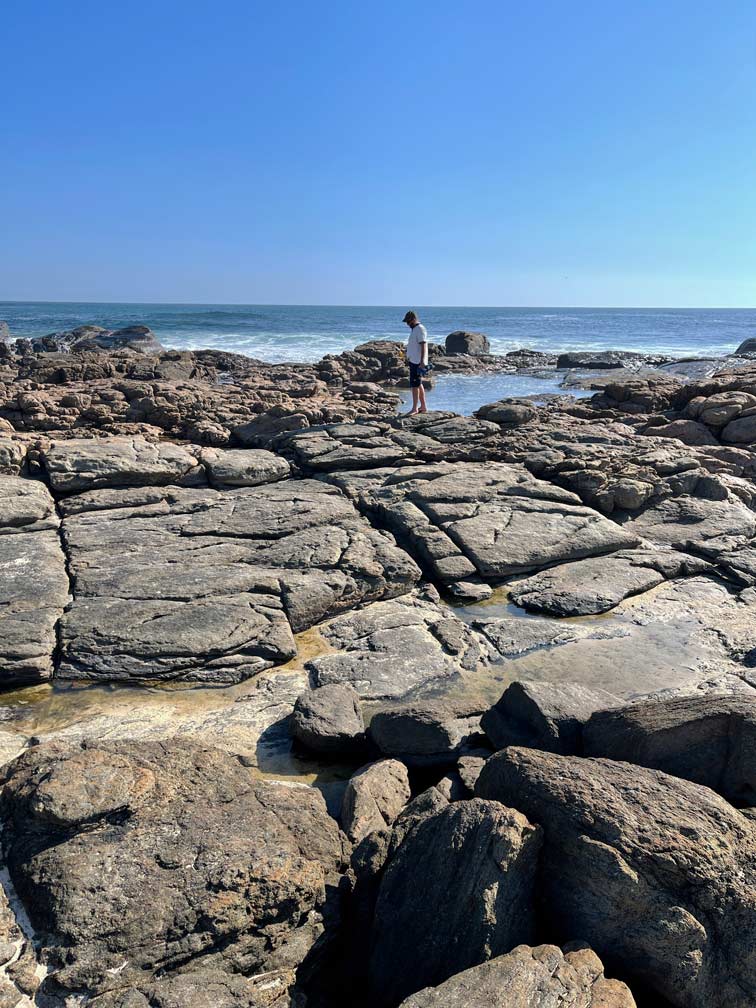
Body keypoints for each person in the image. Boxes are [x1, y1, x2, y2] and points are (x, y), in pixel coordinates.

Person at [402, 310, 430, 414]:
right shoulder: (415, 329)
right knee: (418, 384)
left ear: (413, 319)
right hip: (414, 360)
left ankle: (414, 408)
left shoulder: (420, 329)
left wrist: (422, 362)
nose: (407, 324)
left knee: (414, 386)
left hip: (418, 362)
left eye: (408, 321)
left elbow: (423, 345)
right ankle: (423, 407)